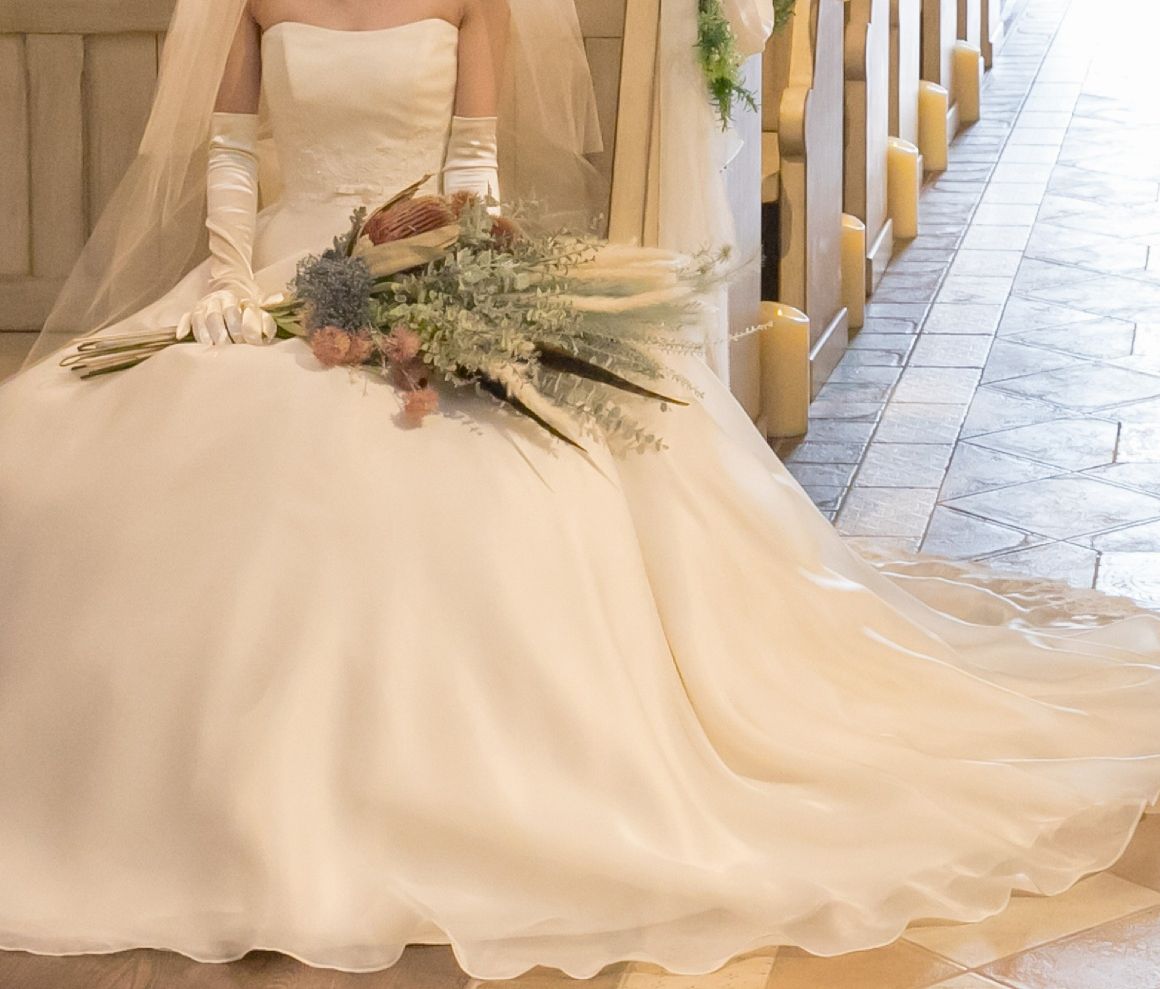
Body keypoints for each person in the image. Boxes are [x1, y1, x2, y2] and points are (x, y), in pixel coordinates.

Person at [0, 0, 1157, 980]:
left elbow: (470, 164)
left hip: (424, 253)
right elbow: (233, 153)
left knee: (497, 467)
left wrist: (449, 275)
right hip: (272, 275)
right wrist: (228, 280)